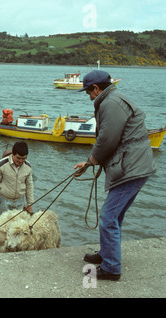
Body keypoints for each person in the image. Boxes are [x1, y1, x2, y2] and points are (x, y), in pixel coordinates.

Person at [74, 70, 156, 280]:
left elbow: (107, 139)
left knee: (108, 217)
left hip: (131, 168)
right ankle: (107, 255)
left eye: (89, 92)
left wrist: (91, 161)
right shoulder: (114, 98)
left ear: (96, 88)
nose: (89, 97)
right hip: (135, 165)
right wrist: (91, 161)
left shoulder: (110, 103)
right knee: (115, 216)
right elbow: (111, 140)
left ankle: (111, 268)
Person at [0, 141, 34, 214]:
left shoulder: (28, 167)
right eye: (18, 158)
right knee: (3, 224)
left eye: (23, 158)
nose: (21, 161)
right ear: (13, 154)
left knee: (18, 224)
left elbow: (29, 186)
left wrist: (30, 204)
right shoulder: (2, 165)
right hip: (4, 201)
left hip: (20, 201)